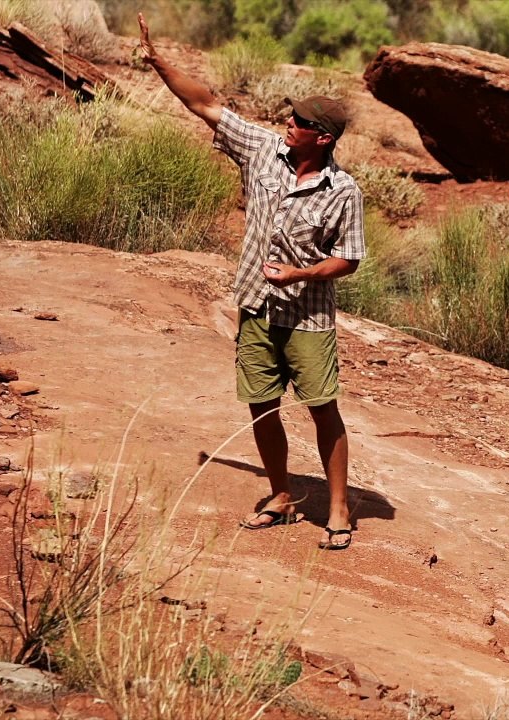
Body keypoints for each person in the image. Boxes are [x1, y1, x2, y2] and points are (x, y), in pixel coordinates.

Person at [138, 15, 364, 550]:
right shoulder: (263, 150)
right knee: (260, 404)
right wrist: (159, 62)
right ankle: (282, 496)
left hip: (307, 316)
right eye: (290, 116)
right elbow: (206, 104)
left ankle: (337, 507)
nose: (289, 123)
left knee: (321, 408)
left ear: (323, 137)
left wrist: (302, 272)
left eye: (300, 121)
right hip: (257, 308)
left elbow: (349, 259)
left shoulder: (344, 191)